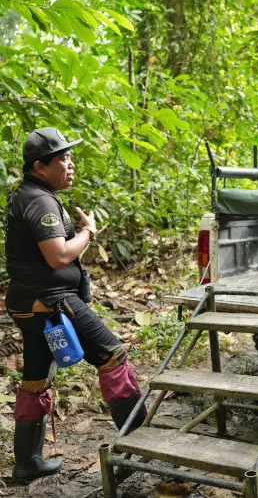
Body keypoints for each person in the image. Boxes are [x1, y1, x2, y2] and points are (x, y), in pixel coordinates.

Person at [5, 128, 146, 484]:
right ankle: (139, 450)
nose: (70, 165)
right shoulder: (40, 200)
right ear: (39, 166)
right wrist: (88, 232)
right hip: (52, 302)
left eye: (70, 157)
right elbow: (58, 256)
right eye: (62, 159)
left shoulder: (30, 193)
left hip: (30, 302)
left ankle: (27, 463)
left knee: (36, 377)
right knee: (112, 355)